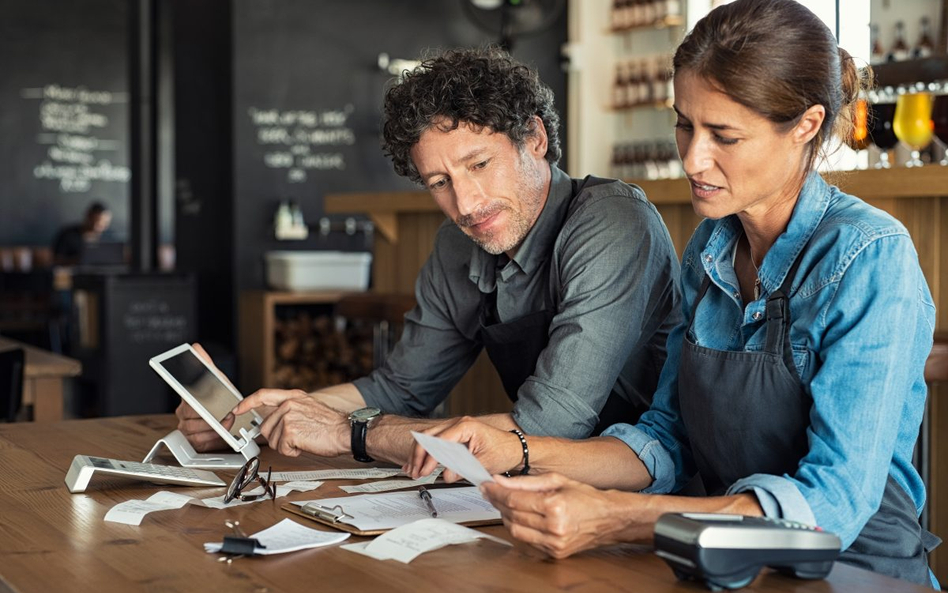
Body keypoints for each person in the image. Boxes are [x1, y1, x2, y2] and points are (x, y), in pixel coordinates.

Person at [406, 1, 940, 587]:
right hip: (724, 564)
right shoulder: (710, 249)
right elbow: (666, 440)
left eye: (724, 135)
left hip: (855, 574)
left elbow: (833, 503)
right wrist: (511, 448)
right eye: (684, 124)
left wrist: (620, 519)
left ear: (807, 126)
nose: (691, 157)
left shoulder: (869, 256)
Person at [176, 47, 681, 466]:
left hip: (651, 488)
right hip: (543, 491)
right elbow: (400, 387)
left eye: (479, 164)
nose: (466, 204)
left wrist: (351, 434)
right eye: (440, 183)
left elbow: (548, 426)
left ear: (535, 139)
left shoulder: (612, 223)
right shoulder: (458, 243)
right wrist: (257, 417)